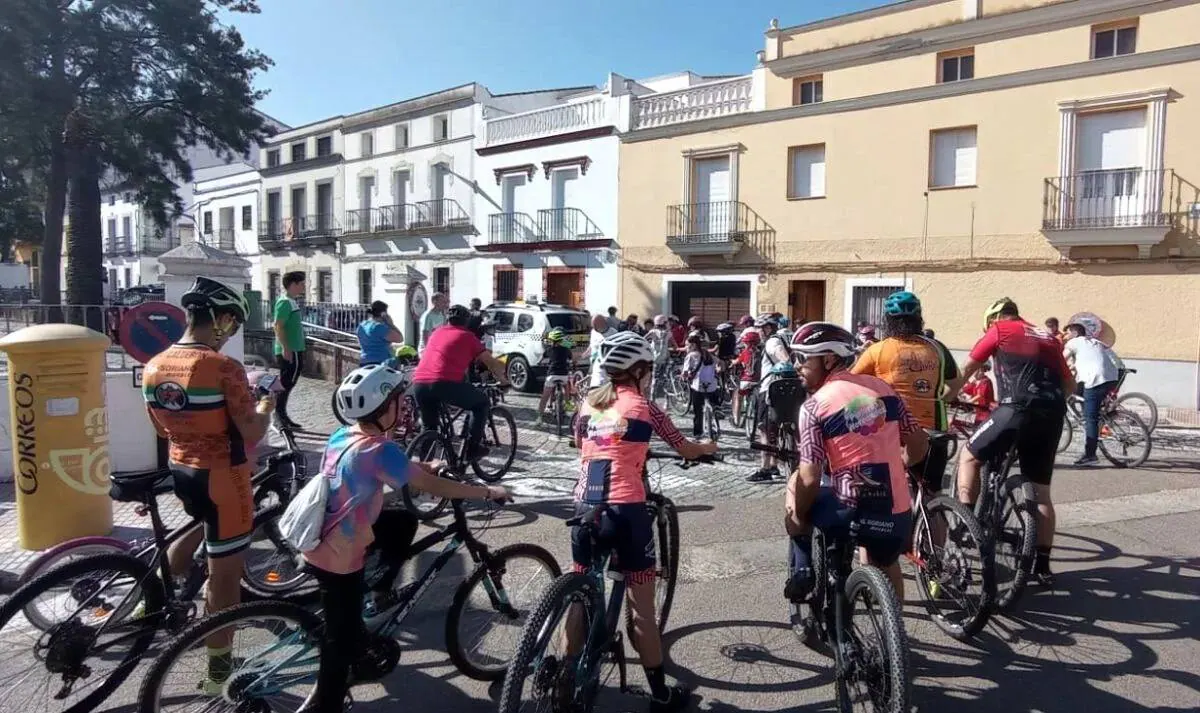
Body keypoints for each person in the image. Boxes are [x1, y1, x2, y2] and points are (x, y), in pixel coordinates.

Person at [310, 364, 511, 712]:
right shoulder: (378, 449)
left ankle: (378, 591)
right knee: (338, 644)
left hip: (325, 532)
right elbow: (430, 487)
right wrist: (486, 491)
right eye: (398, 401)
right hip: (338, 553)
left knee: (403, 521)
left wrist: (419, 466)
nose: (404, 408)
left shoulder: (344, 435)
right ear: (381, 407)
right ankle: (325, 704)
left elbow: (390, 468)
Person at [568, 332, 717, 712]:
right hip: (626, 513)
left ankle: (567, 674)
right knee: (642, 611)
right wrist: (707, 449)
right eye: (648, 370)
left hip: (585, 506)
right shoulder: (645, 407)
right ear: (637, 371)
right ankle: (660, 695)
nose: (650, 376)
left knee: (581, 592)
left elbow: (578, 442)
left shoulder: (588, 404)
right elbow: (683, 446)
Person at [143, 277, 273, 692]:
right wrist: (267, 402)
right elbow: (251, 430)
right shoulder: (222, 367)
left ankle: (154, 603)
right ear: (222, 319)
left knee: (200, 524)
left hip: (182, 468)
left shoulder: (155, 363)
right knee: (224, 580)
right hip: (224, 476)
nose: (232, 333)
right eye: (233, 325)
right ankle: (219, 675)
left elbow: (161, 430)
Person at [785, 321, 928, 602]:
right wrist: (900, 465)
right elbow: (919, 443)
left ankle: (802, 567)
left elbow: (810, 478)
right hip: (895, 512)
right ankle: (894, 637)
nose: (796, 365)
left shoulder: (814, 406)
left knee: (795, 484)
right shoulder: (885, 390)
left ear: (828, 359)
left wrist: (799, 518)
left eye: (803, 358)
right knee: (887, 564)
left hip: (845, 511)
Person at [957, 298, 1073, 586]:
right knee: (1042, 493)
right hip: (1052, 413)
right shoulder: (1048, 336)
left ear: (993, 319)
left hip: (1015, 409)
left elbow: (967, 368)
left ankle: (965, 524)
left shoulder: (999, 330)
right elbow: (1069, 386)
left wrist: (947, 394)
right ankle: (1043, 567)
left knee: (969, 456)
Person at [852, 291, 961, 494]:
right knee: (932, 495)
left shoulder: (877, 350)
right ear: (919, 319)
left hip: (896, 433)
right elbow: (955, 383)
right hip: (935, 431)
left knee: (895, 494)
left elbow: (850, 385)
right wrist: (940, 400)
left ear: (887, 320)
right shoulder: (938, 348)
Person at [411, 305, 509, 461]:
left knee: (429, 427)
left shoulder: (437, 332)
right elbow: (491, 362)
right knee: (481, 403)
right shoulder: (467, 336)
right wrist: (504, 381)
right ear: (466, 321)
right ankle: (472, 448)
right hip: (443, 383)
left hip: (419, 383)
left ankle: (425, 469)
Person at [1063, 322, 1124, 466]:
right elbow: (1114, 360)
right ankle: (1108, 416)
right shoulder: (1097, 342)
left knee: (1090, 418)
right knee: (1085, 396)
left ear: (1076, 334)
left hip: (1095, 379)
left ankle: (1090, 455)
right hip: (1112, 378)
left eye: (1069, 332)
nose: (1066, 335)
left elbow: (1061, 360)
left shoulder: (1074, 342)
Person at [747, 314, 793, 483]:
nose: (757, 331)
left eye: (759, 328)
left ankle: (764, 468)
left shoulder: (772, 341)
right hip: (782, 389)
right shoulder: (788, 336)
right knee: (772, 429)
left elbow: (785, 359)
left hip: (770, 390)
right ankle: (773, 465)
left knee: (764, 430)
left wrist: (783, 371)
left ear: (767, 328)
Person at [273, 270, 306, 430]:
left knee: (289, 383)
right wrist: (286, 347)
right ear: (293, 284)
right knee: (286, 383)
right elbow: (278, 325)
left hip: (295, 349)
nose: (303, 286)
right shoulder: (285, 302)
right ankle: (278, 416)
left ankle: (282, 415)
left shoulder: (291, 302)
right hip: (290, 350)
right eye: (301, 283)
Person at [534, 327, 576, 428]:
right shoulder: (566, 349)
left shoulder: (549, 350)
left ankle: (539, 418)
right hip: (563, 375)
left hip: (551, 375)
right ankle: (567, 403)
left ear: (551, 341)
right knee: (566, 387)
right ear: (562, 340)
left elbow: (541, 359)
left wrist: (539, 363)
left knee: (544, 397)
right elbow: (572, 358)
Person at [682, 334, 721, 438]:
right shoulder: (708, 354)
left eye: (688, 345)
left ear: (693, 345)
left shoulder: (691, 356)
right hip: (711, 385)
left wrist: (684, 377)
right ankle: (716, 408)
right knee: (712, 399)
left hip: (698, 385)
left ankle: (697, 433)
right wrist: (718, 370)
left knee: (698, 411)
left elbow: (685, 372)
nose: (687, 348)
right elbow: (720, 363)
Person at [356, 301, 405, 367]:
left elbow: (360, 343)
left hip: (364, 362)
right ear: (383, 314)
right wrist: (391, 324)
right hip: (380, 363)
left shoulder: (362, 326)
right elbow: (400, 339)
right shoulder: (379, 327)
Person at [588, 312, 617, 388]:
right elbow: (592, 345)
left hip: (609, 365)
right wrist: (584, 354)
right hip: (595, 363)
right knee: (595, 386)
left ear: (602, 323)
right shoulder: (593, 332)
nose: (594, 327)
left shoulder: (613, 332)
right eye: (593, 325)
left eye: (595, 325)